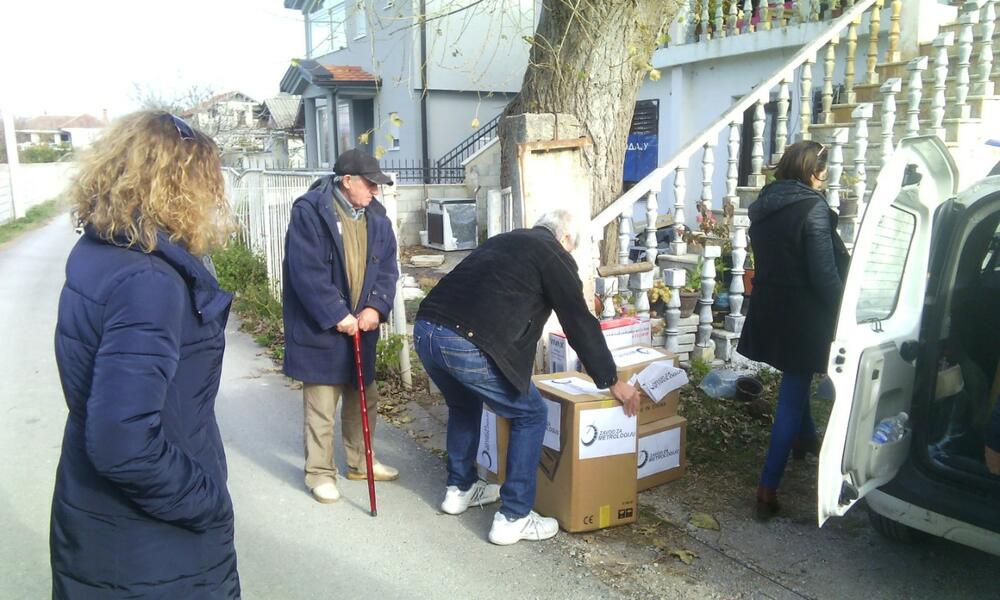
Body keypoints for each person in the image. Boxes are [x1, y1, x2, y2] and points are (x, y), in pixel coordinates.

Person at [50, 111, 240, 598]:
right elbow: (122, 441)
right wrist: (206, 500)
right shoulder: (147, 281)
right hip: (149, 538)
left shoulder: (105, 248)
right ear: (177, 183)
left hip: (105, 517)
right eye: (206, 182)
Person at [414, 210, 641, 545]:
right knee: (531, 413)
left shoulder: (504, 240)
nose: (570, 255)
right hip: (462, 340)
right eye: (572, 248)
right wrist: (611, 379)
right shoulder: (552, 253)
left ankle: (459, 489)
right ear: (565, 239)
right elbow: (577, 319)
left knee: (464, 405)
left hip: (425, 331)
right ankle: (513, 517)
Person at [736, 140, 850, 521]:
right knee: (794, 390)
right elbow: (824, 276)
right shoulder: (812, 208)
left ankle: (806, 440)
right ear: (812, 171)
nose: (825, 178)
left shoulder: (765, 204)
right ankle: (767, 487)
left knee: (794, 379)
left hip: (771, 307)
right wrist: (845, 313)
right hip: (804, 315)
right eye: (824, 171)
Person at [282, 148, 400, 504]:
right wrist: (337, 313)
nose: (375, 191)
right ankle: (319, 473)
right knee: (321, 404)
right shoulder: (311, 212)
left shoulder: (376, 217)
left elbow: (388, 268)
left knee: (363, 396)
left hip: (362, 325)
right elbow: (306, 272)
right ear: (347, 181)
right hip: (323, 327)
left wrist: (376, 307)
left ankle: (360, 461)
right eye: (370, 184)